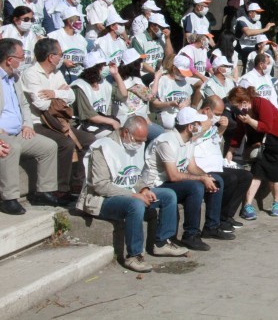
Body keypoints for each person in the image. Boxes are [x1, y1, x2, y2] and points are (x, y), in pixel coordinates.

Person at [77, 116, 189, 272]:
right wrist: (133, 195)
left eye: (143, 140)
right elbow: (100, 186)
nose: (140, 144)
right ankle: (134, 255)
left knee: (168, 195)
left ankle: (161, 243)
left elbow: (134, 176)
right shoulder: (102, 148)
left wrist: (144, 189)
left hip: (127, 191)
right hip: (102, 199)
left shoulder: (134, 145)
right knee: (135, 204)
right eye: (137, 140)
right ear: (125, 133)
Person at [21, 37, 97, 196]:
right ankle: (60, 189)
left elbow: (71, 97)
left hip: (57, 120)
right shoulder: (31, 74)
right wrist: (61, 95)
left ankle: (76, 182)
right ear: (50, 57)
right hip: (38, 122)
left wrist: (54, 93)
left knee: (89, 140)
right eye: (60, 54)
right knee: (66, 144)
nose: (63, 57)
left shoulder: (56, 73)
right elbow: (40, 105)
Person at [0, 38, 65, 215]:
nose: (23, 62)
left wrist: (27, 124)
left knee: (48, 146)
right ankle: (9, 198)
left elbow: (24, 104)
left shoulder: (15, 78)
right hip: (2, 134)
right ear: (8, 59)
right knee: (10, 148)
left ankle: (44, 191)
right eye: (20, 58)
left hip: (18, 130)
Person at [143, 107, 222, 251]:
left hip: (170, 182)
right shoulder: (166, 142)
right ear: (190, 126)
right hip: (156, 185)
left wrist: (206, 177)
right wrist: (201, 180)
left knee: (216, 180)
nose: (200, 126)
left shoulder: (188, 141)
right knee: (196, 187)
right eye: (198, 123)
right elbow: (173, 175)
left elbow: (192, 167)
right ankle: (191, 234)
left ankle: (212, 226)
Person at [228, 86, 278, 220]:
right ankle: (247, 206)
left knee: (276, 175)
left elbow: (267, 126)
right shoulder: (242, 111)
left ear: (244, 101)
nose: (236, 109)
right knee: (257, 171)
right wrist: (231, 150)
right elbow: (240, 131)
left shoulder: (261, 103)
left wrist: (249, 120)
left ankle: (276, 203)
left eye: (236, 105)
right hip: (260, 143)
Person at [194, 96, 252, 231]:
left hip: (217, 165)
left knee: (246, 176)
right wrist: (203, 126)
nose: (219, 117)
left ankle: (226, 216)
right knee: (229, 179)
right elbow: (189, 139)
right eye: (218, 114)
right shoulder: (194, 120)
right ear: (207, 110)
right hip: (202, 168)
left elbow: (213, 140)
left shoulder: (211, 123)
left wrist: (222, 128)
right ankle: (215, 223)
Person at [71, 51, 127, 138]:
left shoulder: (102, 82)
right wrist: (112, 121)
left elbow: (123, 96)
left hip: (101, 123)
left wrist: (116, 74)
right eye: (103, 65)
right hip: (83, 126)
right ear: (95, 68)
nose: (106, 67)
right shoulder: (79, 86)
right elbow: (90, 116)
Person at [113, 49, 165, 141]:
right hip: (132, 122)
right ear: (134, 65)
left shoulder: (121, 79)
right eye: (140, 61)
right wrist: (157, 77)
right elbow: (151, 96)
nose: (142, 64)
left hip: (136, 118)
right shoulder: (132, 83)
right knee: (161, 134)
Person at [49, 0, 88, 83]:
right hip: (61, 77)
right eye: (77, 19)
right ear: (69, 21)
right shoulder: (54, 36)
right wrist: (62, 61)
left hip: (79, 77)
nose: (80, 22)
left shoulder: (81, 39)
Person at [151, 55, 193, 130]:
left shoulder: (185, 82)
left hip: (184, 118)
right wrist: (170, 104)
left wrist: (187, 102)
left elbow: (188, 98)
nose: (184, 75)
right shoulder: (162, 81)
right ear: (174, 69)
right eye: (182, 72)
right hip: (166, 118)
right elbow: (154, 103)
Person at [132, 13, 174, 83]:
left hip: (159, 73)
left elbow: (170, 56)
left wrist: (167, 38)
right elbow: (141, 62)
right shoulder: (138, 40)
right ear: (152, 26)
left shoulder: (162, 38)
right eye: (161, 27)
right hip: (144, 74)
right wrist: (156, 74)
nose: (163, 30)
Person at [1, 5, 42, 73]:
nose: (29, 22)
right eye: (26, 19)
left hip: (27, 71)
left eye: (32, 20)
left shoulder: (31, 33)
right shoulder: (4, 31)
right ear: (15, 19)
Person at [94, 12, 128, 76]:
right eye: (120, 24)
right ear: (112, 26)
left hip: (122, 75)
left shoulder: (121, 41)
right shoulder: (101, 42)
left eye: (122, 24)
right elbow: (101, 67)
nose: (123, 26)